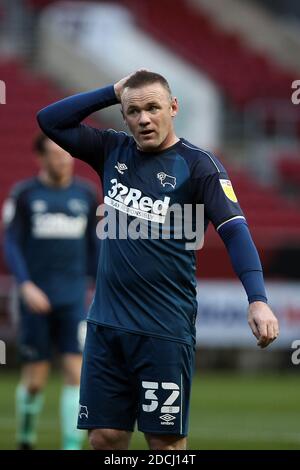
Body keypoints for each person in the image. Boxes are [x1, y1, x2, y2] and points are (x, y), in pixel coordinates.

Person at [37, 70, 279, 451]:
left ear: (173, 107)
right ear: (124, 115)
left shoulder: (200, 166)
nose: (144, 119)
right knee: (104, 438)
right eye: (133, 111)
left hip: (163, 330)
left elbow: (234, 231)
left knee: (164, 444)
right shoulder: (110, 150)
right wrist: (112, 91)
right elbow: (49, 120)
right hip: (106, 327)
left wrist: (258, 298)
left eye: (153, 108)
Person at [2, 133, 99, 450]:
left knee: (75, 372)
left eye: (66, 154)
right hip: (35, 298)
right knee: (35, 380)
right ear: (40, 158)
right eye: (56, 154)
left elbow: (94, 248)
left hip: (73, 297)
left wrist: (99, 286)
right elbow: (11, 243)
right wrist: (26, 285)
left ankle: (71, 446)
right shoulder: (25, 195)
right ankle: (26, 438)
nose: (63, 159)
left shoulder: (86, 195)